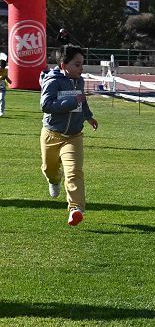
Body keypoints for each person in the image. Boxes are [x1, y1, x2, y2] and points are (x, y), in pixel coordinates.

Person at [40, 45, 98, 226]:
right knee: (49, 168)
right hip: (51, 134)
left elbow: (82, 100)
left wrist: (88, 116)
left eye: (82, 64)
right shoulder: (52, 81)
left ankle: (75, 209)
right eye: (78, 65)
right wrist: (72, 101)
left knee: (74, 172)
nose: (82, 69)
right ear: (64, 66)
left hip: (74, 136)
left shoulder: (79, 80)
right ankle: (53, 180)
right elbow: (46, 105)